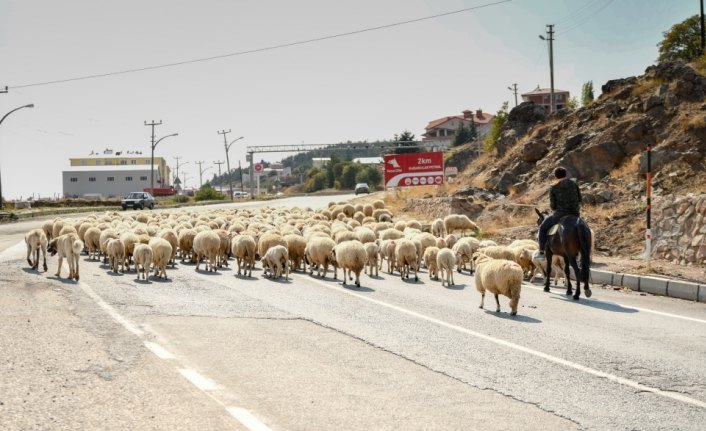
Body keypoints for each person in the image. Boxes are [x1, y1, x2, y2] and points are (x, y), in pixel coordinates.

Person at [536, 167, 582, 260]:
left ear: (556, 176)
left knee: (543, 228)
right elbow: (580, 199)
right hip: (575, 214)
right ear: (565, 175)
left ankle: (541, 252)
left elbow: (553, 206)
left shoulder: (554, 187)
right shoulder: (573, 184)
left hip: (560, 215)